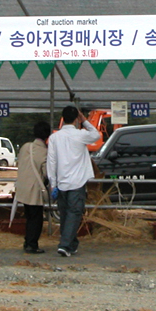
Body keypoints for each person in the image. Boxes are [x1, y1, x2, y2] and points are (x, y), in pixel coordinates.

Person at [46, 106, 101, 257]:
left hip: (61, 182)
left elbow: (51, 162)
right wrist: (85, 121)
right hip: (77, 182)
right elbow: (96, 134)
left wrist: (53, 184)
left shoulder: (54, 138)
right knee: (74, 213)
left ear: (62, 119)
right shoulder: (80, 135)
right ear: (77, 119)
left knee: (65, 214)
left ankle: (71, 244)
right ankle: (64, 245)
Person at [14, 121, 51, 254]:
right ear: (47, 135)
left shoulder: (25, 147)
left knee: (29, 216)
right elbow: (47, 173)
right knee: (36, 218)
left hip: (23, 187)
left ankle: (27, 241)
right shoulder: (44, 152)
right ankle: (32, 244)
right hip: (35, 189)